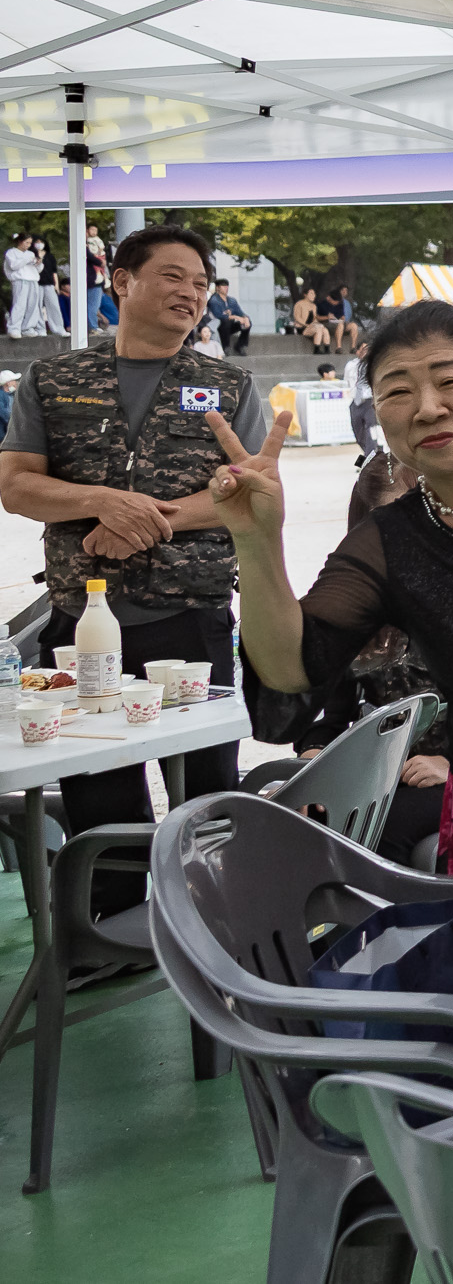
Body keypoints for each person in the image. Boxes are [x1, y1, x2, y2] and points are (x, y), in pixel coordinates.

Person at [210, 299, 453, 1048]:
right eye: (396, 390)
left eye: (450, 380)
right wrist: (258, 542)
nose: (426, 407)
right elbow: (292, 675)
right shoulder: (392, 540)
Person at [0, 225, 265, 919]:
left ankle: (221, 925)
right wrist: (100, 502)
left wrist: (155, 520)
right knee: (98, 785)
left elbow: (248, 491)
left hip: (192, 619)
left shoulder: (226, 386)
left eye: (202, 284)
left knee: (208, 786)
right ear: (121, 280)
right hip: (79, 620)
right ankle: (110, 933)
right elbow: (18, 485)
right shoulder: (55, 379)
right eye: (174, 276)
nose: (192, 293)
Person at [344, 338, 378, 454]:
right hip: (356, 401)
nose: (366, 352)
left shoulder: (374, 365)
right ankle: (368, 455)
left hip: (370, 400)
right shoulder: (350, 365)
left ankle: (370, 458)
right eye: (363, 349)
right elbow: (348, 382)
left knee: (370, 429)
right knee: (358, 432)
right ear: (357, 351)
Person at [206, 276, 252, 355]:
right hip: (218, 327)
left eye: (227, 286)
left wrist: (245, 318)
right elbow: (218, 315)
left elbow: (240, 312)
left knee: (247, 323)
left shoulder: (232, 300)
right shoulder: (214, 300)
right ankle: (225, 347)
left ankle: (240, 346)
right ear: (218, 288)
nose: (226, 288)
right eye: (223, 286)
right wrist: (235, 317)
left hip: (230, 327)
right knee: (226, 321)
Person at [5, 234, 37, 337]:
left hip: (33, 279)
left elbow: (37, 269)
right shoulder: (11, 253)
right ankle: (14, 327)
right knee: (19, 304)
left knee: (32, 305)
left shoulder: (31, 253)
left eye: (30, 243)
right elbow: (14, 266)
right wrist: (27, 259)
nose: (28, 245)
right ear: (20, 241)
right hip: (20, 280)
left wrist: (38, 263)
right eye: (27, 242)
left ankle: (27, 327)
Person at [34, 240, 67, 335]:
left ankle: (58, 328)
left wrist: (56, 285)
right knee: (37, 306)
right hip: (37, 284)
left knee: (54, 306)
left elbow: (54, 272)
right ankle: (40, 329)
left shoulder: (50, 256)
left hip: (49, 284)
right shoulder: (32, 255)